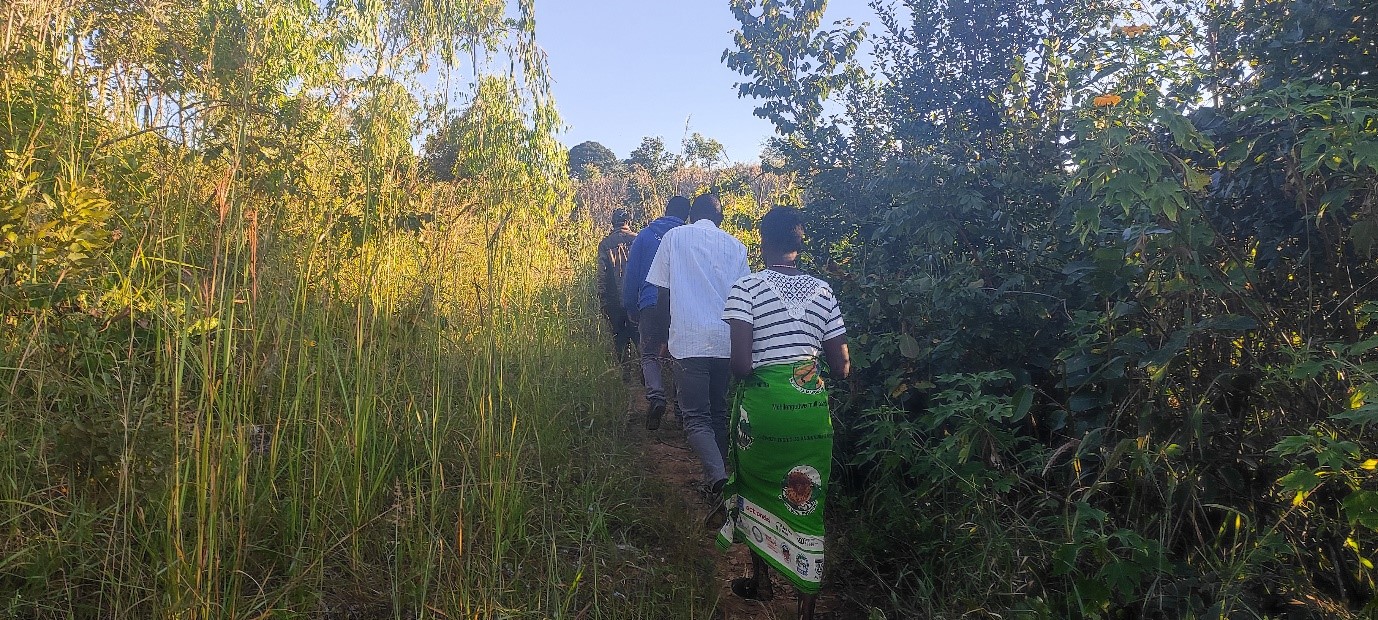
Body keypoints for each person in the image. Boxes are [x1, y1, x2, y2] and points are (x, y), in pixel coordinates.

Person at [715, 206, 849, 620]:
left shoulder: (745, 289)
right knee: (808, 499)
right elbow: (842, 366)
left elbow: (740, 366)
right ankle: (805, 607)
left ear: (762, 240)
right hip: (811, 414)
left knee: (758, 489)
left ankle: (762, 582)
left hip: (765, 413)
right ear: (800, 241)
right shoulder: (824, 291)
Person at [645, 193, 749, 493]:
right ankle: (720, 478)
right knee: (717, 411)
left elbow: (662, 294)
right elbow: (743, 301)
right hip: (725, 341)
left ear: (691, 216)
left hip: (689, 341)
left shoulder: (675, 238)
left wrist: (663, 336)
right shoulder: (736, 247)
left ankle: (717, 479)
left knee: (695, 417)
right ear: (721, 219)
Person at [622, 196, 690, 428]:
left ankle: (656, 396)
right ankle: (681, 409)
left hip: (650, 302)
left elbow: (632, 276)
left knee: (650, 353)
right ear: (687, 217)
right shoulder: (689, 238)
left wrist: (631, 306)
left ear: (665, 210)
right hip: (680, 304)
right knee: (678, 354)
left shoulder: (645, 235)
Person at [596, 208, 637, 379]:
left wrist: (602, 299)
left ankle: (625, 373)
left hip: (614, 301)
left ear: (612, 223)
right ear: (628, 222)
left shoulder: (605, 244)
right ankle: (646, 373)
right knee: (639, 335)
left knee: (619, 336)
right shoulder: (637, 239)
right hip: (636, 298)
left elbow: (602, 275)